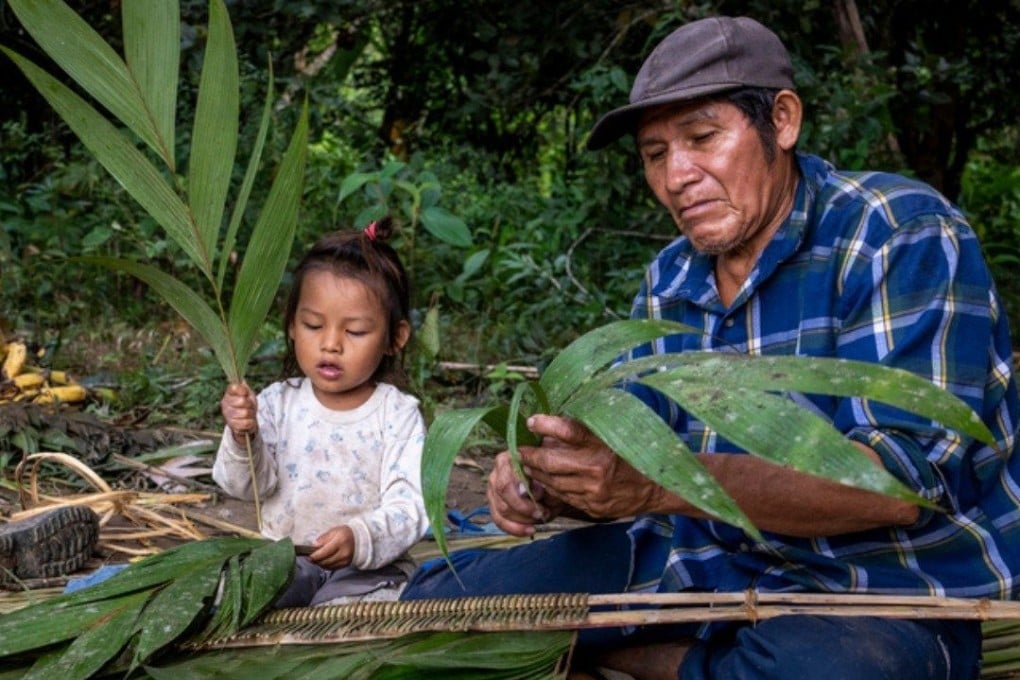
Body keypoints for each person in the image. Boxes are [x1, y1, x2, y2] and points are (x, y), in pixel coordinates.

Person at [400, 16, 1020, 680]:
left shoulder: (895, 233)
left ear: (781, 121)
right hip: (699, 563)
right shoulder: (671, 278)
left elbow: (899, 486)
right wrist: (553, 481)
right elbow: (628, 456)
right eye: (654, 154)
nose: (676, 177)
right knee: (438, 607)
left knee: (830, 671)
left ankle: (655, 659)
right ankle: (689, 658)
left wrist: (656, 483)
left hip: (876, 588)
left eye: (702, 137)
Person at [213, 219, 428, 608]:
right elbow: (245, 487)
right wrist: (242, 434)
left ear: (395, 338)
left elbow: (412, 507)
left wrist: (359, 537)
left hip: (369, 573)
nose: (330, 344)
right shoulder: (277, 402)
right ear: (293, 326)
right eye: (313, 325)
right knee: (230, 598)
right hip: (286, 561)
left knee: (348, 617)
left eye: (356, 332)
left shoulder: (398, 415)